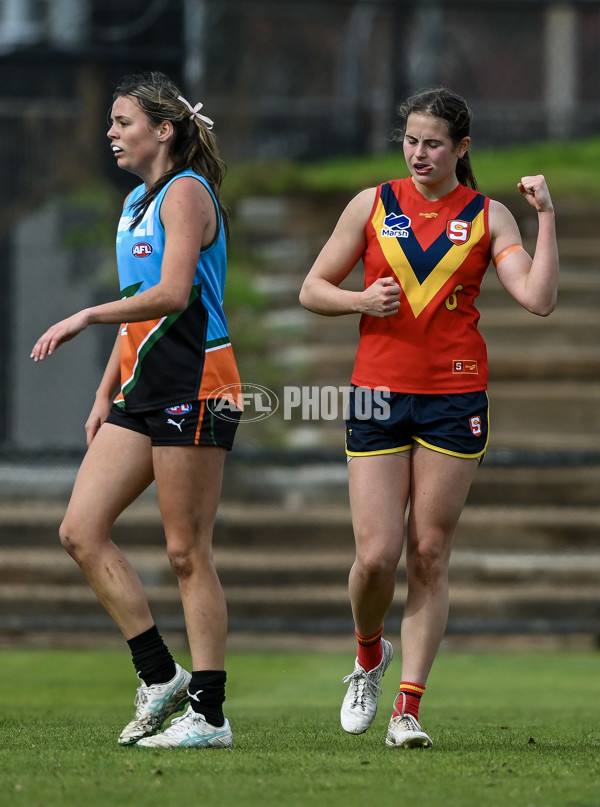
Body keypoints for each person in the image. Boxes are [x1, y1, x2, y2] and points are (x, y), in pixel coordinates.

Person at [299, 87, 559, 749]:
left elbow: (537, 298)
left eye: (434, 143)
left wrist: (546, 218)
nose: (419, 153)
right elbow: (312, 289)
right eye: (411, 140)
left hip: (455, 397)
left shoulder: (487, 216)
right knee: (375, 556)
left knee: (430, 552)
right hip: (375, 396)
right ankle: (367, 655)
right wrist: (362, 297)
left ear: (461, 148)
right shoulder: (372, 204)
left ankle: (407, 707)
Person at [31, 71, 242, 749]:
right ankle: (159, 673)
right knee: (79, 529)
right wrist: (104, 394)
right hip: (141, 387)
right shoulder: (133, 203)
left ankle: (209, 713)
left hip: (197, 380)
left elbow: (175, 293)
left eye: (123, 122)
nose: (112, 134)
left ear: (164, 129)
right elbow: (138, 310)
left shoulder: (185, 193)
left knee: (186, 551)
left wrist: (87, 312)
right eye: (111, 124)